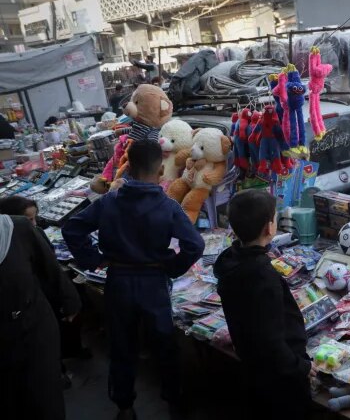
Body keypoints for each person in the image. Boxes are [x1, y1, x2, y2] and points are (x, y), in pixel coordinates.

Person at [63, 139, 204, 420]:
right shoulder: (168, 206)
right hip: (153, 282)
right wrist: (172, 267)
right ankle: (174, 401)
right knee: (165, 345)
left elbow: (72, 229)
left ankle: (124, 407)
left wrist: (94, 259)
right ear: (160, 169)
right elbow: (195, 244)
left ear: (128, 168)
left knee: (122, 345)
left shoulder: (109, 201)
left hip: (119, 281)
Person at [214, 190, 313, 418]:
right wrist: (301, 367)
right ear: (269, 228)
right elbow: (271, 341)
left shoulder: (230, 261)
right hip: (280, 378)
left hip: (251, 365)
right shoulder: (261, 276)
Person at [0, 213, 81, 420]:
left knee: (44, 398)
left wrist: (69, 301)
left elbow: (50, 268)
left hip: (33, 327)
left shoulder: (17, 228)